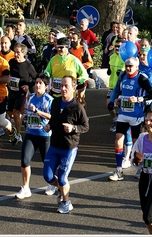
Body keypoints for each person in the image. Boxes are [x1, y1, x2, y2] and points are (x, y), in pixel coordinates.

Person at [43, 75, 89, 214]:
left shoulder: (77, 107)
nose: (63, 88)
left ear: (74, 88)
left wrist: (73, 128)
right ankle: (61, 189)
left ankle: (65, 202)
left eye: (66, 86)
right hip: (54, 145)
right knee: (48, 176)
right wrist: (49, 126)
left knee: (62, 177)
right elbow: (54, 119)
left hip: (69, 147)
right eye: (61, 85)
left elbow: (86, 126)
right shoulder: (55, 102)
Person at [107, 57, 152, 181]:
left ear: (137, 67)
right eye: (127, 65)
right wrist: (114, 101)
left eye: (131, 66)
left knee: (137, 142)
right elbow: (117, 89)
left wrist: (139, 99)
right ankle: (119, 170)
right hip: (123, 113)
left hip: (137, 116)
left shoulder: (142, 78)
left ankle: (141, 168)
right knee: (118, 140)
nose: (128, 68)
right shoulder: (123, 75)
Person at [15, 74, 54, 199]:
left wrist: (38, 111)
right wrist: (24, 117)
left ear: (46, 86)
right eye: (36, 82)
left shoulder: (49, 100)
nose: (37, 85)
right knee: (25, 160)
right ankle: (25, 187)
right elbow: (27, 112)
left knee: (46, 162)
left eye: (41, 83)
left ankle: (52, 184)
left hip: (44, 135)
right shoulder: (30, 97)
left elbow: (52, 117)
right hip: (31, 134)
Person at [7, 43, 37, 144]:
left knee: (16, 113)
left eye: (18, 52)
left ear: (24, 53)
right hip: (11, 91)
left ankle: (18, 134)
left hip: (21, 93)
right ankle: (21, 122)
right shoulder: (11, 62)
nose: (15, 54)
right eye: (15, 52)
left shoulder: (28, 66)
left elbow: (35, 78)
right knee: (10, 114)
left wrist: (28, 86)